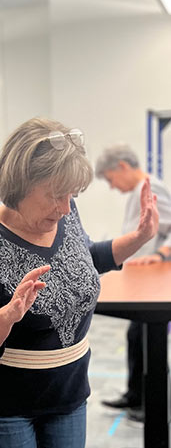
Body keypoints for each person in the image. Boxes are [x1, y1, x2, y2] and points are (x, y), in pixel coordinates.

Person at [0, 118, 159, 448]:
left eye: (72, 195)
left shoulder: (64, 210)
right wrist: (9, 314)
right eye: (55, 196)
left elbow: (84, 258)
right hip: (8, 407)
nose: (66, 208)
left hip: (69, 395)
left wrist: (139, 237)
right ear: (21, 183)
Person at [95, 143, 171, 422]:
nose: (113, 187)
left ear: (123, 167)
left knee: (148, 340)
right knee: (135, 337)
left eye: (110, 179)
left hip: (153, 282)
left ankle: (152, 402)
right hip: (139, 278)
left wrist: (161, 254)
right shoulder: (138, 192)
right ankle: (135, 395)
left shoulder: (151, 187)